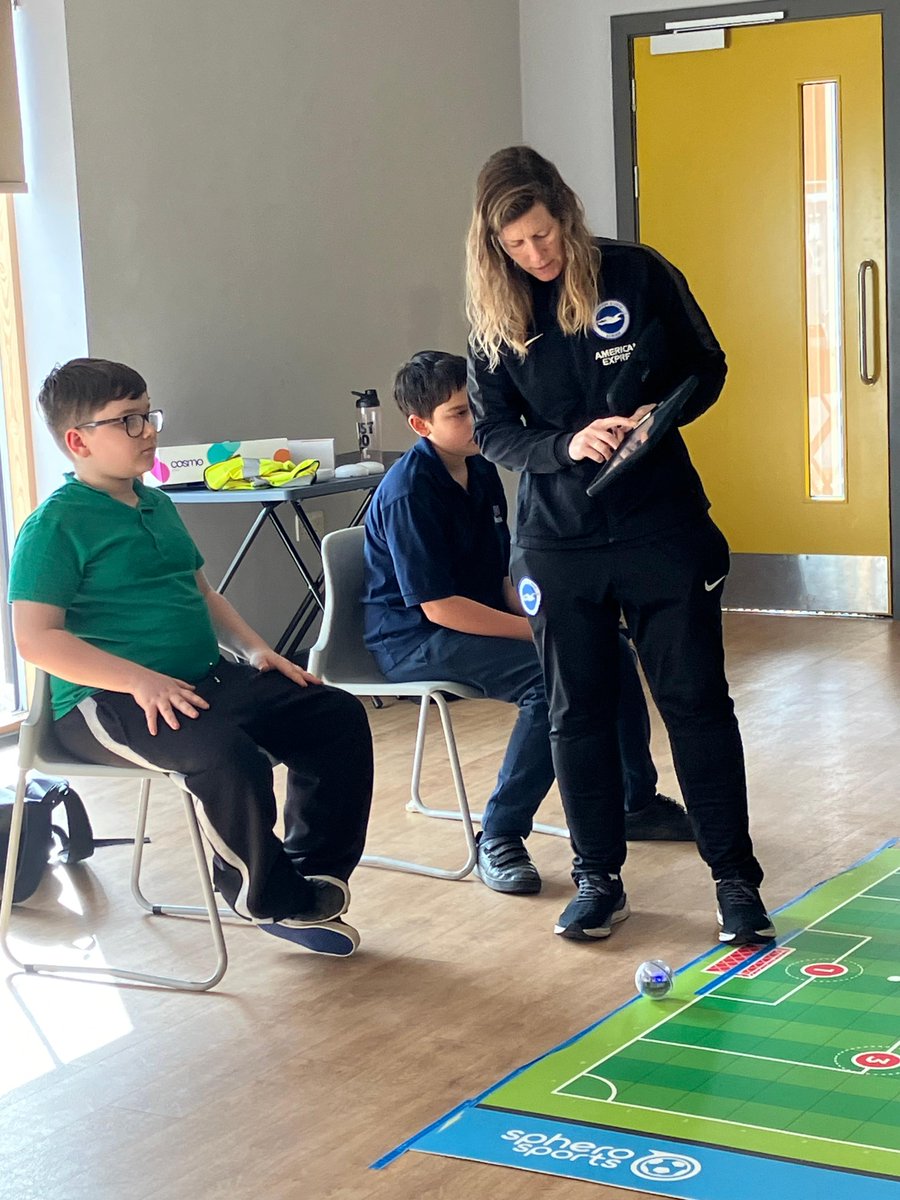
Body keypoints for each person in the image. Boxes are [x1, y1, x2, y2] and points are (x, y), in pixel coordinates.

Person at [466, 146, 774, 946]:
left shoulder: (636, 273)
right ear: (495, 246)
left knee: (697, 705)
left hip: (661, 528)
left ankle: (735, 881)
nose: (537, 255)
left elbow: (707, 365)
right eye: (518, 245)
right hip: (559, 542)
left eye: (545, 235)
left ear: (566, 213)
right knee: (578, 714)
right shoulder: (494, 314)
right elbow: (496, 432)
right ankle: (598, 878)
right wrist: (566, 447)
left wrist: (653, 416)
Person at [8, 359, 373, 957]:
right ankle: (265, 897)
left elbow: (201, 592)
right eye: (127, 421)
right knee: (223, 754)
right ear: (78, 441)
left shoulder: (154, 504)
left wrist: (257, 650)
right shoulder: (53, 526)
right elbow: (37, 640)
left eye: (147, 414)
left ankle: (308, 872)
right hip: (102, 706)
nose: (148, 431)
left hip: (200, 679)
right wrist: (139, 680)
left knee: (333, 714)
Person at [362, 349, 692, 898]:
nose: (475, 422)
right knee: (553, 682)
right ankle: (499, 833)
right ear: (421, 425)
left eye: (477, 408)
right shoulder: (408, 493)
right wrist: (547, 633)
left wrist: (557, 617)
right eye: (459, 414)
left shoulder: (482, 468)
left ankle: (638, 802)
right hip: (412, 640)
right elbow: (439, 608)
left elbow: (500, 582)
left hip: (468, 619)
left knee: (610, 651)